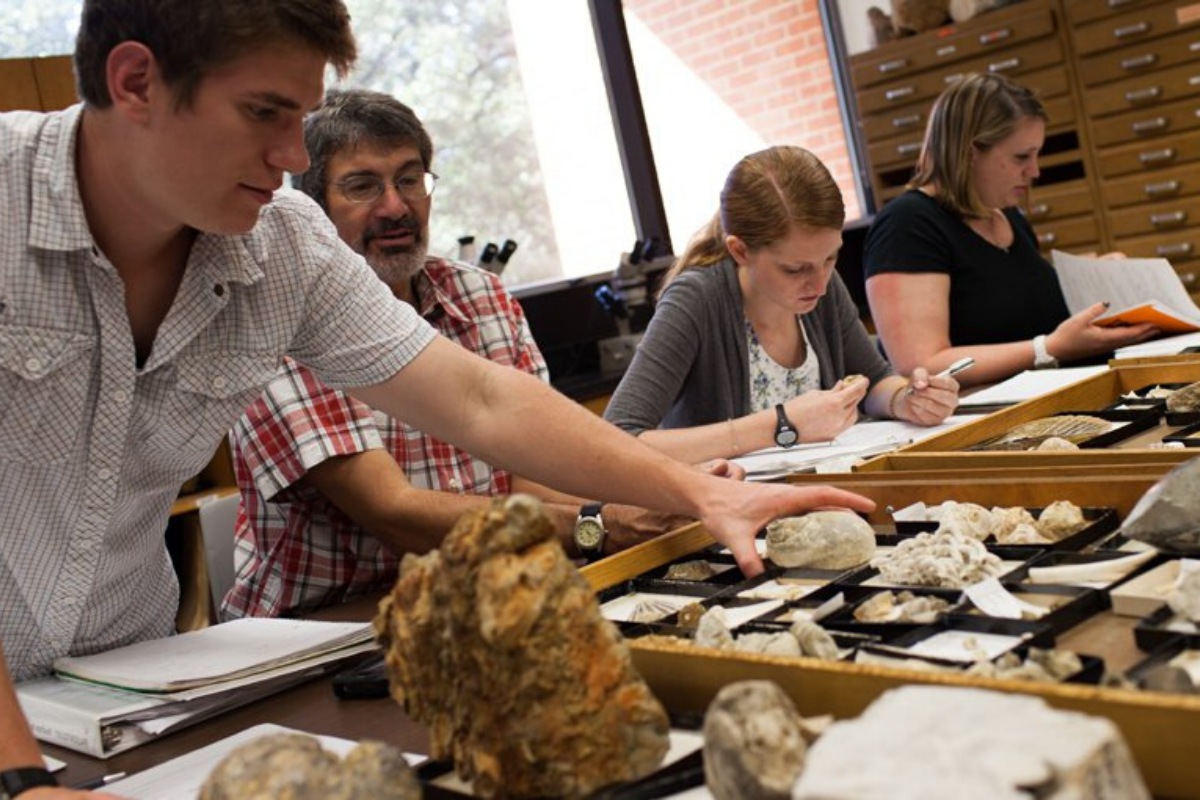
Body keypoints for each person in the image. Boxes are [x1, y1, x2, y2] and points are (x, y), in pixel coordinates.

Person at [0, 2, 873, 792]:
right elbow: (394, 502)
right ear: (137, 81)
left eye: (301, 120)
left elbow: (478, 402)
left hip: (130, 696)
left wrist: (703, 492)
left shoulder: (280, 245)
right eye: (265, 113)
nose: (292, 157)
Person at [224, 89, 697, 620]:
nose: (396, 206)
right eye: (363, 186)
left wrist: (661, 497)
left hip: (477, 596)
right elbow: (394, 512)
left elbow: (527, 473)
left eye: (409, 179)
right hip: (326, 632)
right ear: (310, 209)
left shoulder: (480, 295)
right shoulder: (280, 320)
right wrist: (601, 524)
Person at [604, 146, 959, 465]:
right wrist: (782, 423)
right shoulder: (697, 299)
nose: (819, 283)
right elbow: (617, 442)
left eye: (831, 258)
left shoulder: (819, 283)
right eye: (795, 268)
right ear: (740, 251)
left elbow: (876, 380)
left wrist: (906, 400)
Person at [863, 72, 1157, 388]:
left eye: (1036, 154)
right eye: (1021, 157)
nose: (1034, 171)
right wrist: (1047, 349)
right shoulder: (907, 224)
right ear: (971, 151)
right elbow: (920, 365)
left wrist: (1098, 277)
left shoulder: (1006, 215)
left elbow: (1010, 297)